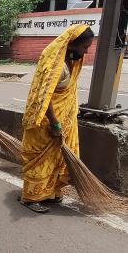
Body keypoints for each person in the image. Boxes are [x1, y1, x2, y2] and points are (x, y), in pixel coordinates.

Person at [20, 24, 94, 213]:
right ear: (73, 44)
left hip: (63, 122)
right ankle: (31, 197)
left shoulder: (70, 61)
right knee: (41, 161)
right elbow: (44, 98)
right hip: (47, 123)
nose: (86, 51)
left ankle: (50, 193)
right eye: (85, 47)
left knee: (56, 159)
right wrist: (55, 123)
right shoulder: (57, 66)